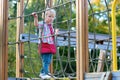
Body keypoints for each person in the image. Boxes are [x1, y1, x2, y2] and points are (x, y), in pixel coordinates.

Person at [32, 8, 58, 79]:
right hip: (44, 45)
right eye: (49, 16)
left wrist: (55, 33)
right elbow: (36, 24)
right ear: (44, 16)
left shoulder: (51, 26)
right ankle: (44, 73)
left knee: (48, 60)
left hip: (50, 45)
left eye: (53, 17)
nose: (51, 18)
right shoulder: (43, 24)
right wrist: (36, 17)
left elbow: (52, 37)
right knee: (46, 60)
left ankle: (44, 72)